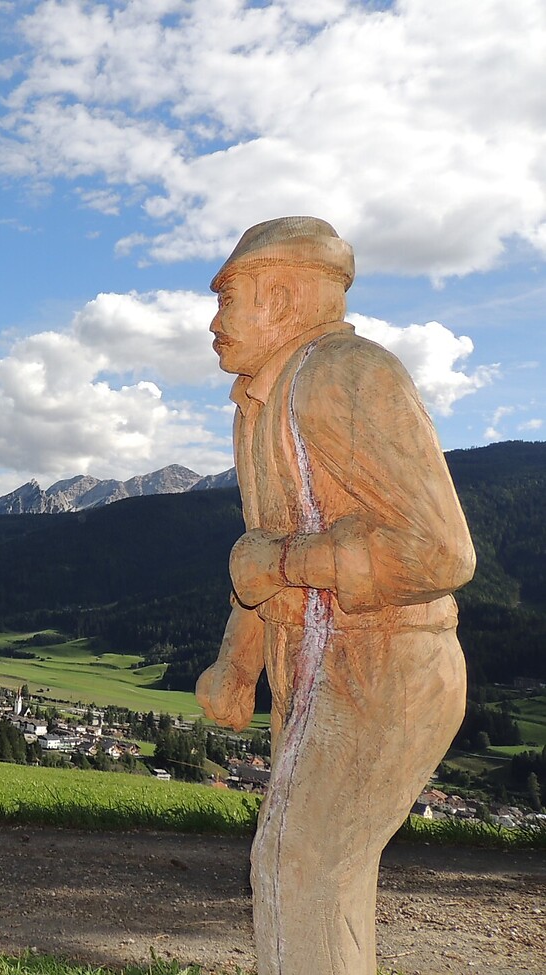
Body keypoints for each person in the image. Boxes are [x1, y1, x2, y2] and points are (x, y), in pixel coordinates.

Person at [195, 216, 474, 975]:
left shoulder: (347, 376)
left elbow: (442, 551)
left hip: (387, 665)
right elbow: (262, 562)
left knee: (302, 865)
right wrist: (239, 662)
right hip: (315, 664)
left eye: (227, 298)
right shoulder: (257, 406)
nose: (213, 323)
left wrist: (291, 560)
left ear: (283, 298)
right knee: (301, 870)